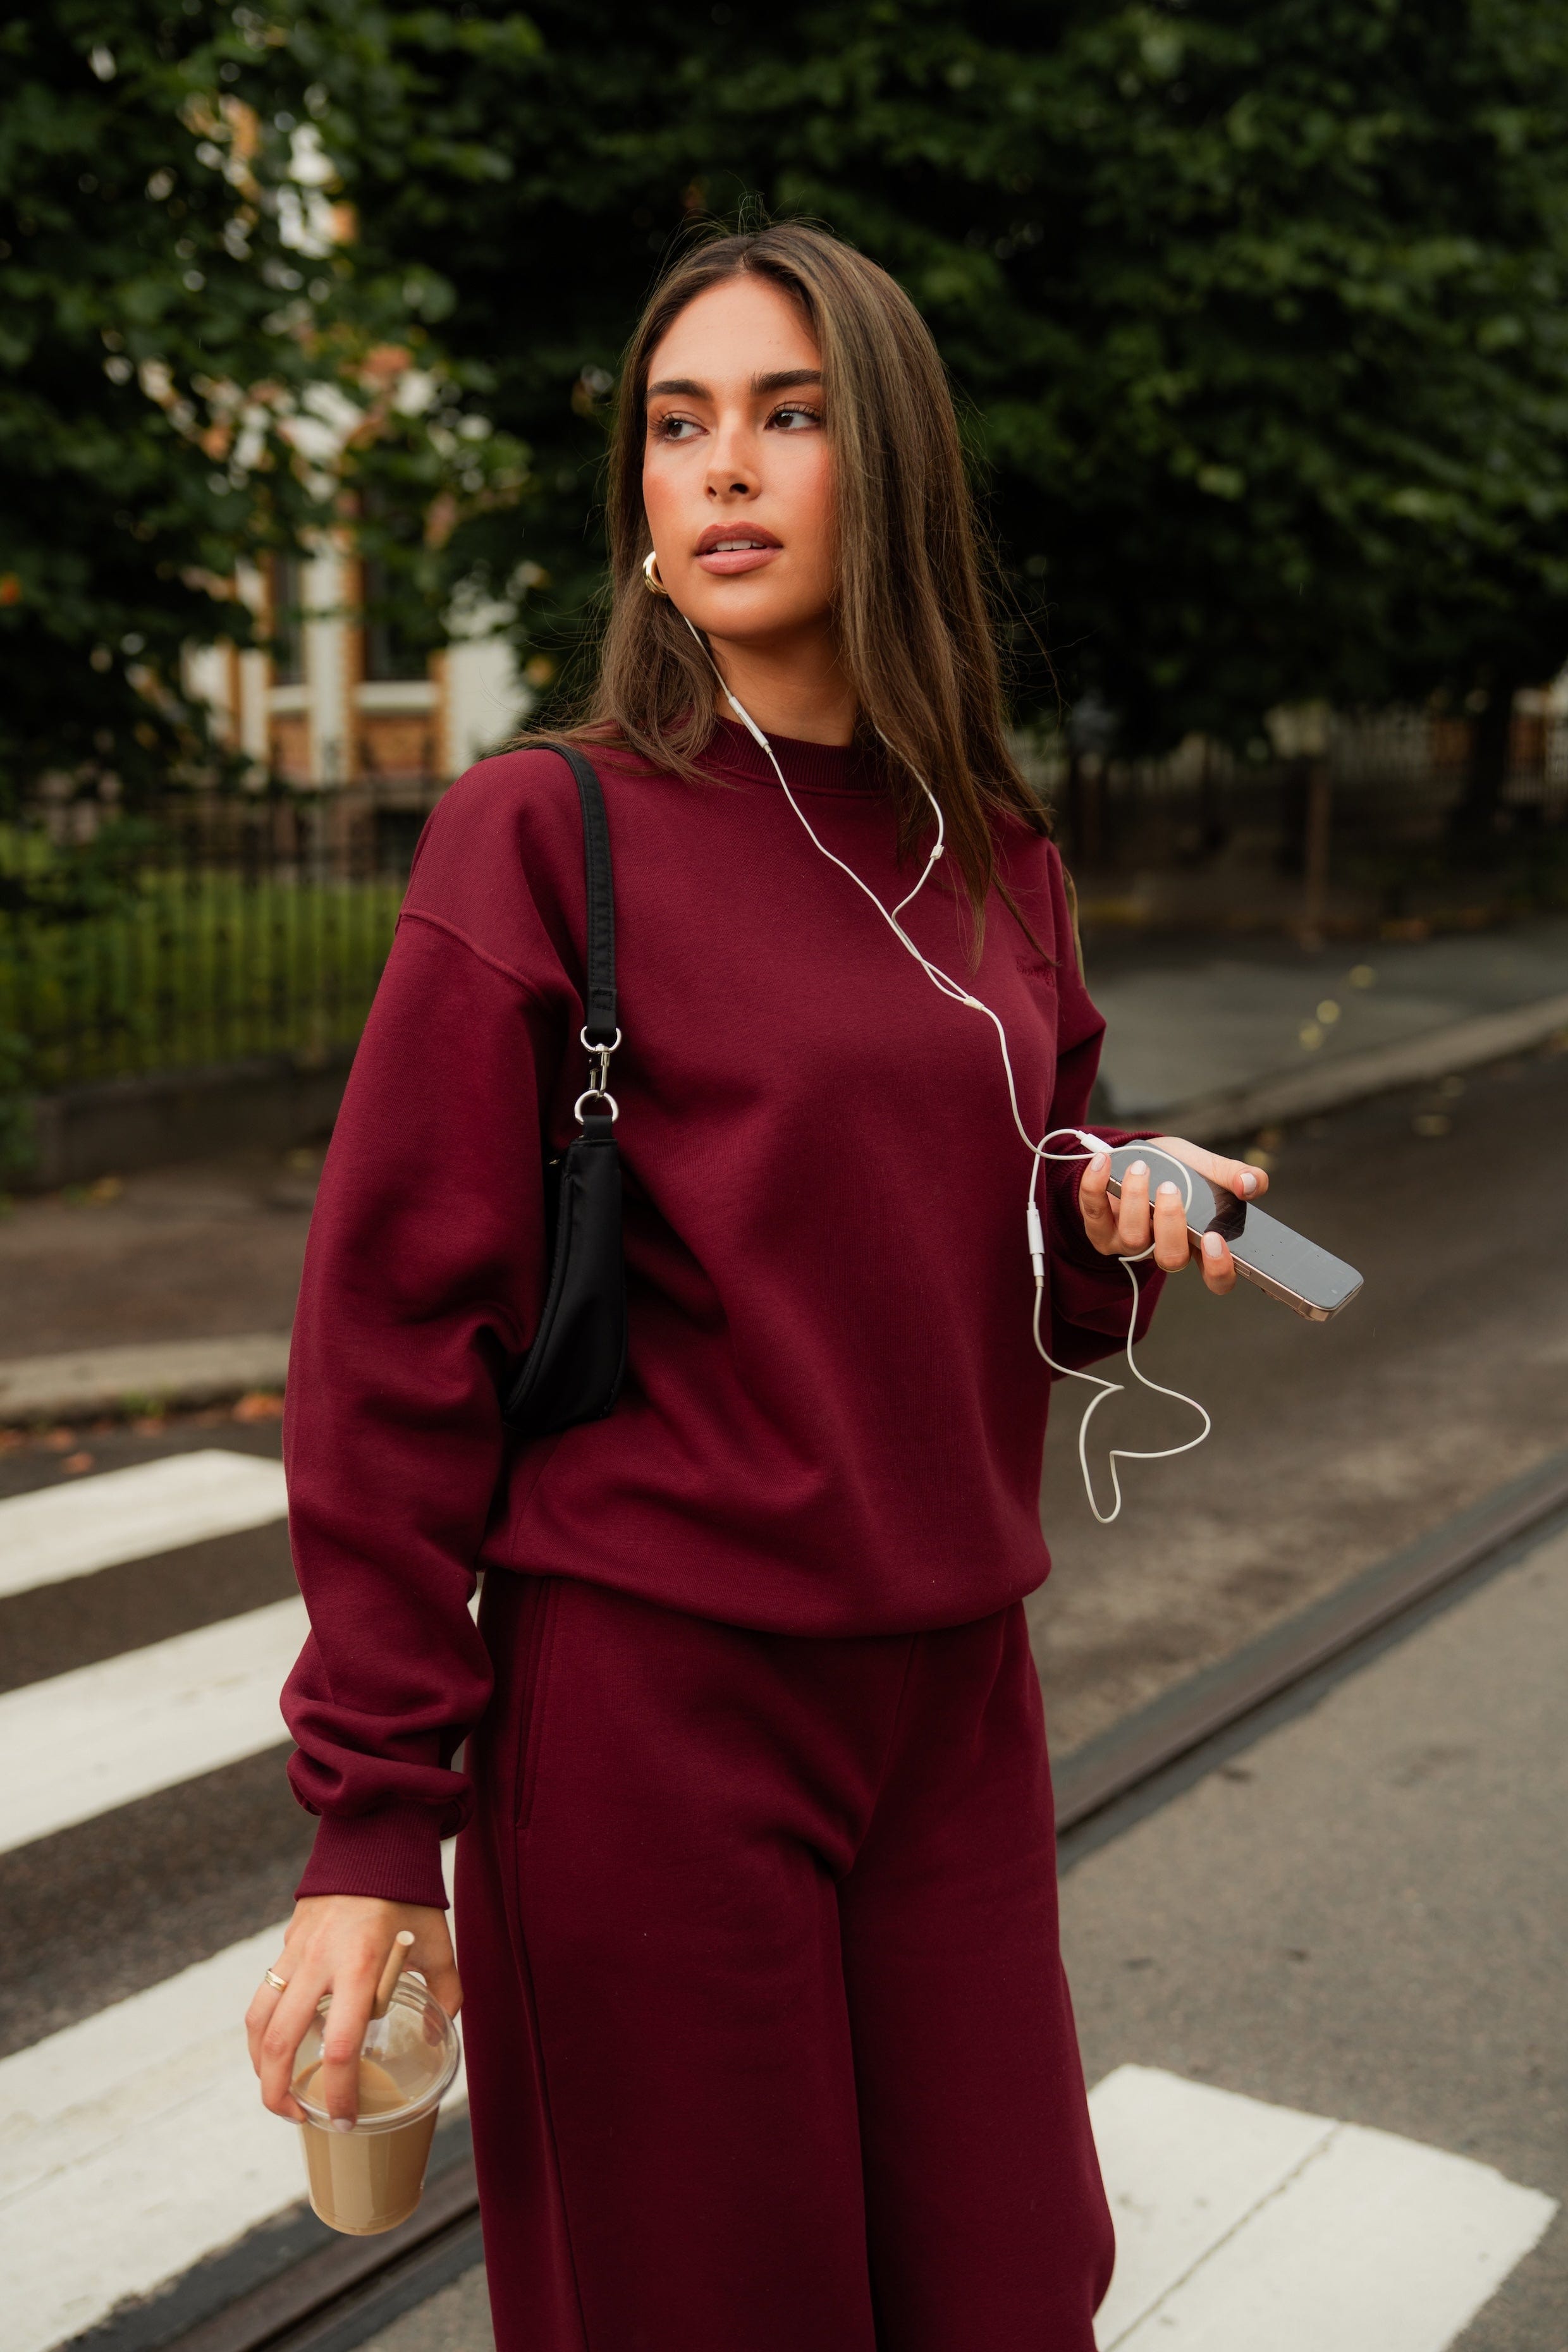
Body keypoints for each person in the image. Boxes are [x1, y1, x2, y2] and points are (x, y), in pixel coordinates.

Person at [247, 223, 1265, 2352]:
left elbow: (1036, 1239)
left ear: (884, 466)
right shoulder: (549, 831)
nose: (721, 468)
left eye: (788, 419)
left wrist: (1120, 1206)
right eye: (678, 423)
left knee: (1014, 2294)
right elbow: (389, 1339)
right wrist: (371, 1824)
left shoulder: (996, 848)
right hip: (651, 1716)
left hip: (951, 1708)